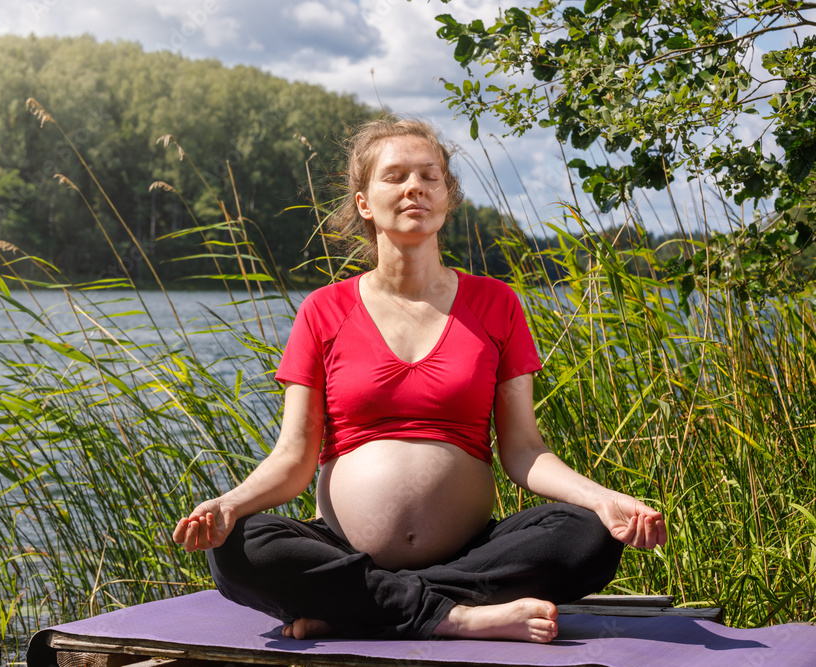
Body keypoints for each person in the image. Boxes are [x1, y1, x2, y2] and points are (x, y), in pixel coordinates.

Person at [173, 118, 667, 644]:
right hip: (345, 548)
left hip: (471, 554)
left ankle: (360, 609)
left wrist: (602, 498)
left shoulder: (496, 304)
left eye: (430, 176)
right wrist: (230, 503)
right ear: (364, 202)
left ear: (446, 197)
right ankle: (455, 617)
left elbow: (523, 451)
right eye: (395, 176)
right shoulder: (324, 310)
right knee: (239, 547)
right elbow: (293, 458)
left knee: (588, 534)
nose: (415, 187)